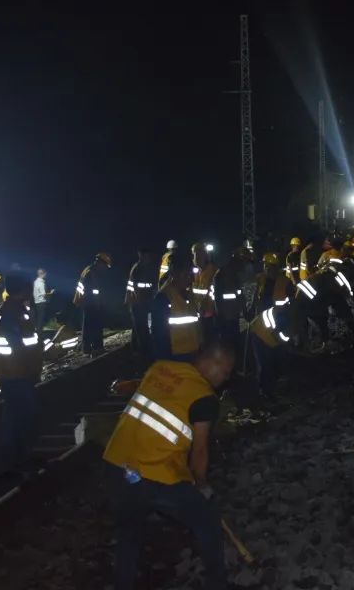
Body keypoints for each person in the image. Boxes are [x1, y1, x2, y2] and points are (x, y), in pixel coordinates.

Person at [103, 340, 234, 590]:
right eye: (225, 371)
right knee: (207, 522)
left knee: (128, 534)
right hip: (156, 476)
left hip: (118, 466)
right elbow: (200, 450)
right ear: (212, 363)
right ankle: (218, 583)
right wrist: (201, 485)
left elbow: (149, 390)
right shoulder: (205, 397)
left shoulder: (160, 367)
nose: (225, 378)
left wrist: (125, 385)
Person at [0, 275, 42, 476]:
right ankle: (10, 461)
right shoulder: (11, 312)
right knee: (17, 415)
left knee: (19, 413)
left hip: (17, 371)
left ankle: (17, 458)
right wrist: (31, 368)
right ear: (23, 289)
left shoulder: (16, 309)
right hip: (15, 372)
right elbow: (18, 344)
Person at [151, 251, 202, 362]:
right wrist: (166, 362)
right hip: (175, 358)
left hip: (194, 353)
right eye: (186, 274)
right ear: (175, 273)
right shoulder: (163, 298)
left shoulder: (190, 295)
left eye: (191, 274)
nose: (191, 279)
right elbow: (159, 335)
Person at [74, 252, 112, 356]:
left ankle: (89, 348)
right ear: (101, 263)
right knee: (94, 325)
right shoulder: (92, 272)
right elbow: (93, 291)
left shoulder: (89, 269)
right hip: (90, 302)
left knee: (89, 325)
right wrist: (98, 302)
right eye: (105, 266)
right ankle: (96, 348)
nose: (105, 269)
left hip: (87, 302)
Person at [125, 250, 158, 359]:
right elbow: (138, 288)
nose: (149, 258)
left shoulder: (143, 267)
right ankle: (144, 351)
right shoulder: (138, 269)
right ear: (142, 256)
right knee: (141, 327)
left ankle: (136, 349)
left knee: (137, 327)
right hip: (137, 302)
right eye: (147, 256)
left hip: (139, 301)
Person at [191, 243, 218, 336]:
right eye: (194, 255)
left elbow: (209, 292)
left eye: (197, 255)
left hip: (209, 312)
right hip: (200, 312)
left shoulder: (211, 270)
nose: (195, 258)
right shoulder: (198, 271)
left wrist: (203, 307)